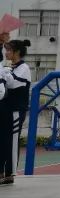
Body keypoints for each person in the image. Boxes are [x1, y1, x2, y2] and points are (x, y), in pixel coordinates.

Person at [0, 39, 32, 185]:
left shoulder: (23, 67)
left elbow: (12, 83)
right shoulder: (10, 67)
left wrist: (3, 72)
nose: (6, 53)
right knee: (3, 140)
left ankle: (10, 173)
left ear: (17, 52)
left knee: (12, 141)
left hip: (16, 110)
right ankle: (1, 171)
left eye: (9, 50)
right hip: (6, 108)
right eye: (5, 50)